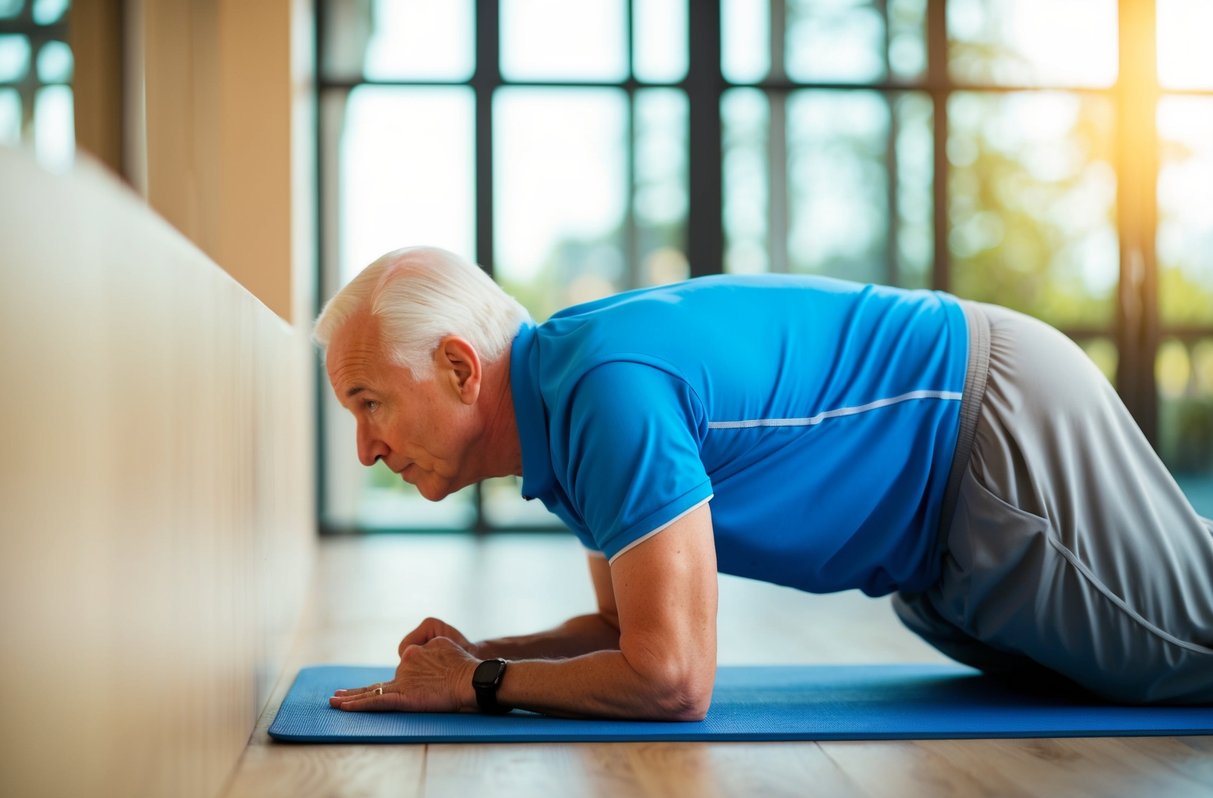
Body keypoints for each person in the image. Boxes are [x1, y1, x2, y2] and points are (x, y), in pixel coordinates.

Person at [315, 246, 1213, 719]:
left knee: (1190, 659)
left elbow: (669, 679)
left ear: (461, 370)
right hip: (944, 528)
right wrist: (473, 658)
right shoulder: (564, 402)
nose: (363, 448)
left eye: (370, 403)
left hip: (990, 435)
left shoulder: (604, 394)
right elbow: (621, 632)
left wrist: (482, 684)